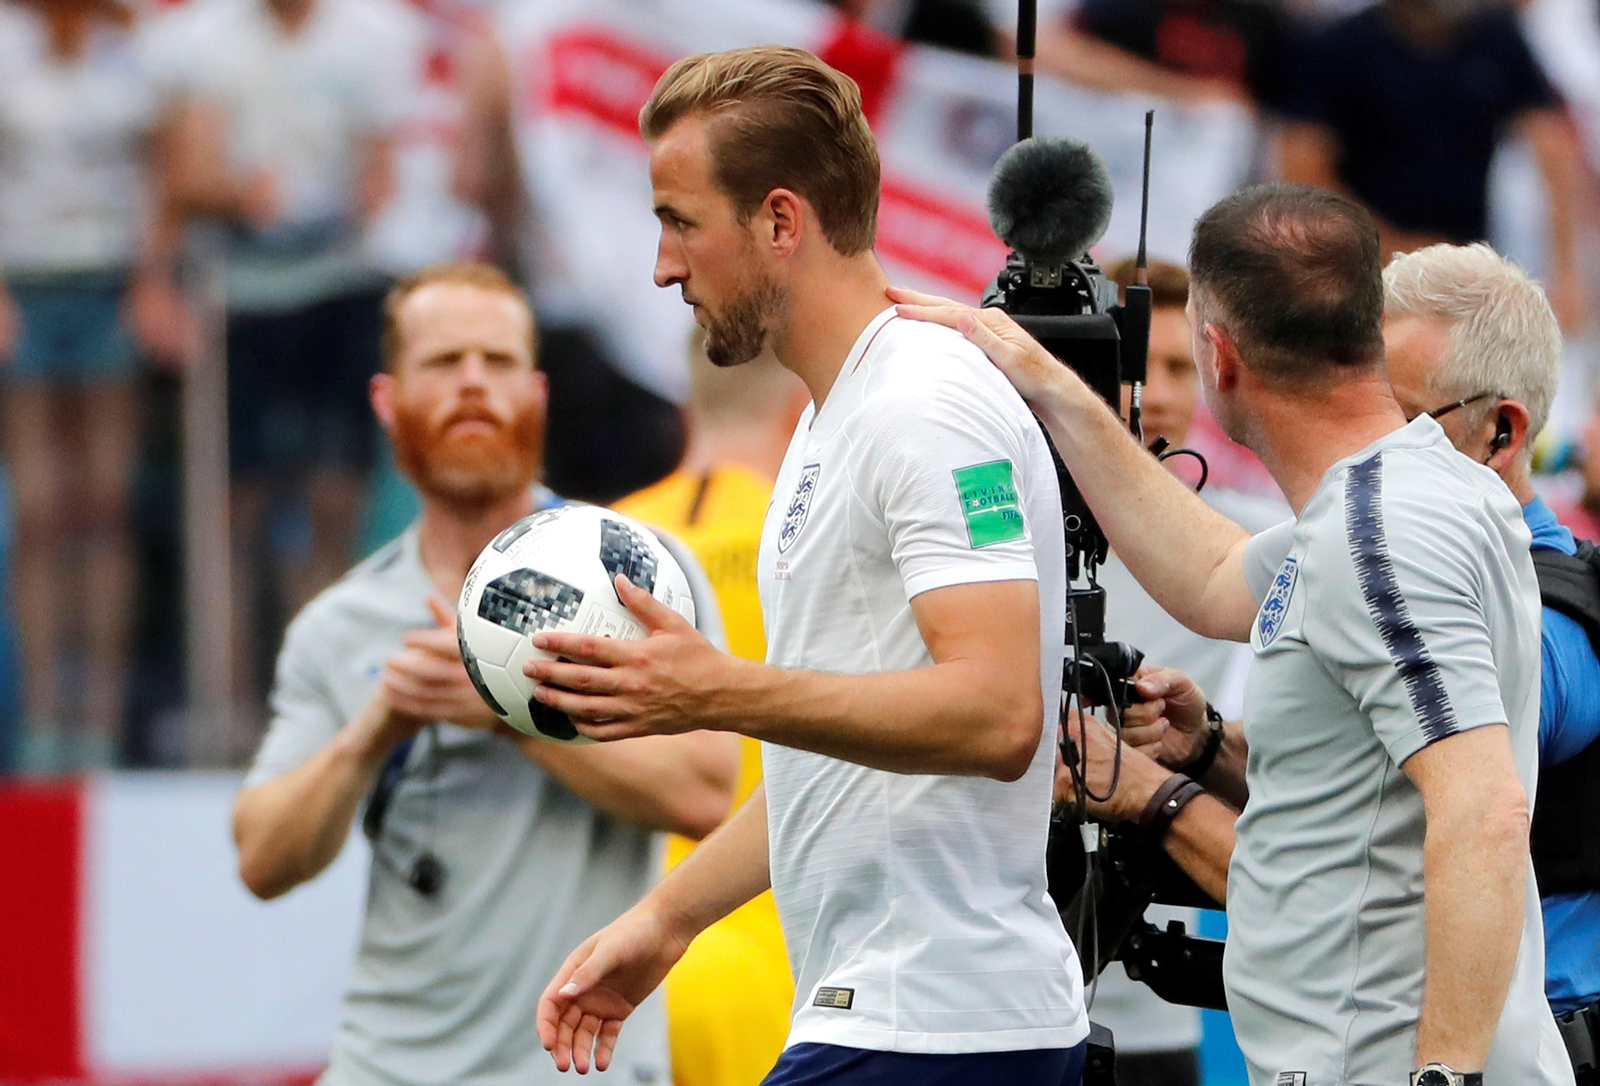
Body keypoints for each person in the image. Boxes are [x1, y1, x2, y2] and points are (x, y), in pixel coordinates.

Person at [891, 184, 1571, 1084]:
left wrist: (1444, 1074)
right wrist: (1051, 381)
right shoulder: (1396, 500)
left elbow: (1483, 811)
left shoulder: (1380, 528)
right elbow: (1215, 578)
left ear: (1219, 353)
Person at [530, 46, 1090, 1086]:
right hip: (888, 1020)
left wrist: (719, 690)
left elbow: (1001, 713)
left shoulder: (924, 402)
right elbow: (829, 762)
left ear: (781, 222)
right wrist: (665, 921)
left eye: (680, 221)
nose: (661, 265)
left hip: (937, 1028)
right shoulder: (834, 418)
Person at [231, 261, 740, 1086]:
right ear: (387, 403)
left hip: (580, 1062)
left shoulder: (633, 571)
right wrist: (374, 731)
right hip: (382, 1064)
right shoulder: (339, 623)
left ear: (537, 396)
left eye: (497, 362)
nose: (473, 384)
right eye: (442, 362)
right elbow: (261, 859)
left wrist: (510, 713)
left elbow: (707, 793)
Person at [164, 0, 416, 709]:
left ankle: (329, 685)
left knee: (336, 494)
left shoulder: (373, 35)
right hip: (242, 292)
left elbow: (383, 169)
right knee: (235, 504)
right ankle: (234, 697)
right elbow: (186, 175)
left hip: (338, 284)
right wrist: (238, 194)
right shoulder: (206, 40)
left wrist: (355, 201)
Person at [1075, 257, 1285, 1086]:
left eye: (1177, 366)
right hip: (1011, 981)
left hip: (1165, 989)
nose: (1155, 389)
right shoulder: (1010, 541)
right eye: (1135, 364)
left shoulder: (1264, 546)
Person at [613, 330, 809, 1086]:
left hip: (619, 961)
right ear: (802, 415)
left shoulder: (603, 540)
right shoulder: (807, 543)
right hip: (773, 960)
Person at [0, 0, 184, 770]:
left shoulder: (132, 55)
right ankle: (46, 709)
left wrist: (152, 280)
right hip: (28, 284)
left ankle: (102, 708)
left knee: (105, 506)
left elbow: (163, 175)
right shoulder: (7, 50)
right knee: (40, 508)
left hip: (107, 282)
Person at [1280, 0, 1586, 328]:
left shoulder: (1497, 40)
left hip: (1465, 269)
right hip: (1360, 268)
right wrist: (1388, 247)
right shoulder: (1342, 47)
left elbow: (1553, 149)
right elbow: (1301, 170)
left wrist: (1566, 273)